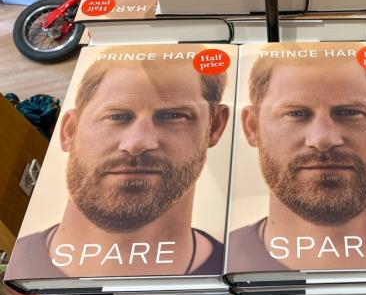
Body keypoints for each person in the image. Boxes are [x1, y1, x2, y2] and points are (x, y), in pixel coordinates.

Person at [9, 45, 230, 278]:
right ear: (68, 131)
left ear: (214, 127)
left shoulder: (237, 270)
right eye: (116, 117)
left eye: (173, 116)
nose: (136, 143)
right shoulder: (23, 278)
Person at [227, 43, 366, 273]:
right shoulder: (224, 261)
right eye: (295, 114)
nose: (323, 139)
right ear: (252, 127)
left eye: (350, 112)